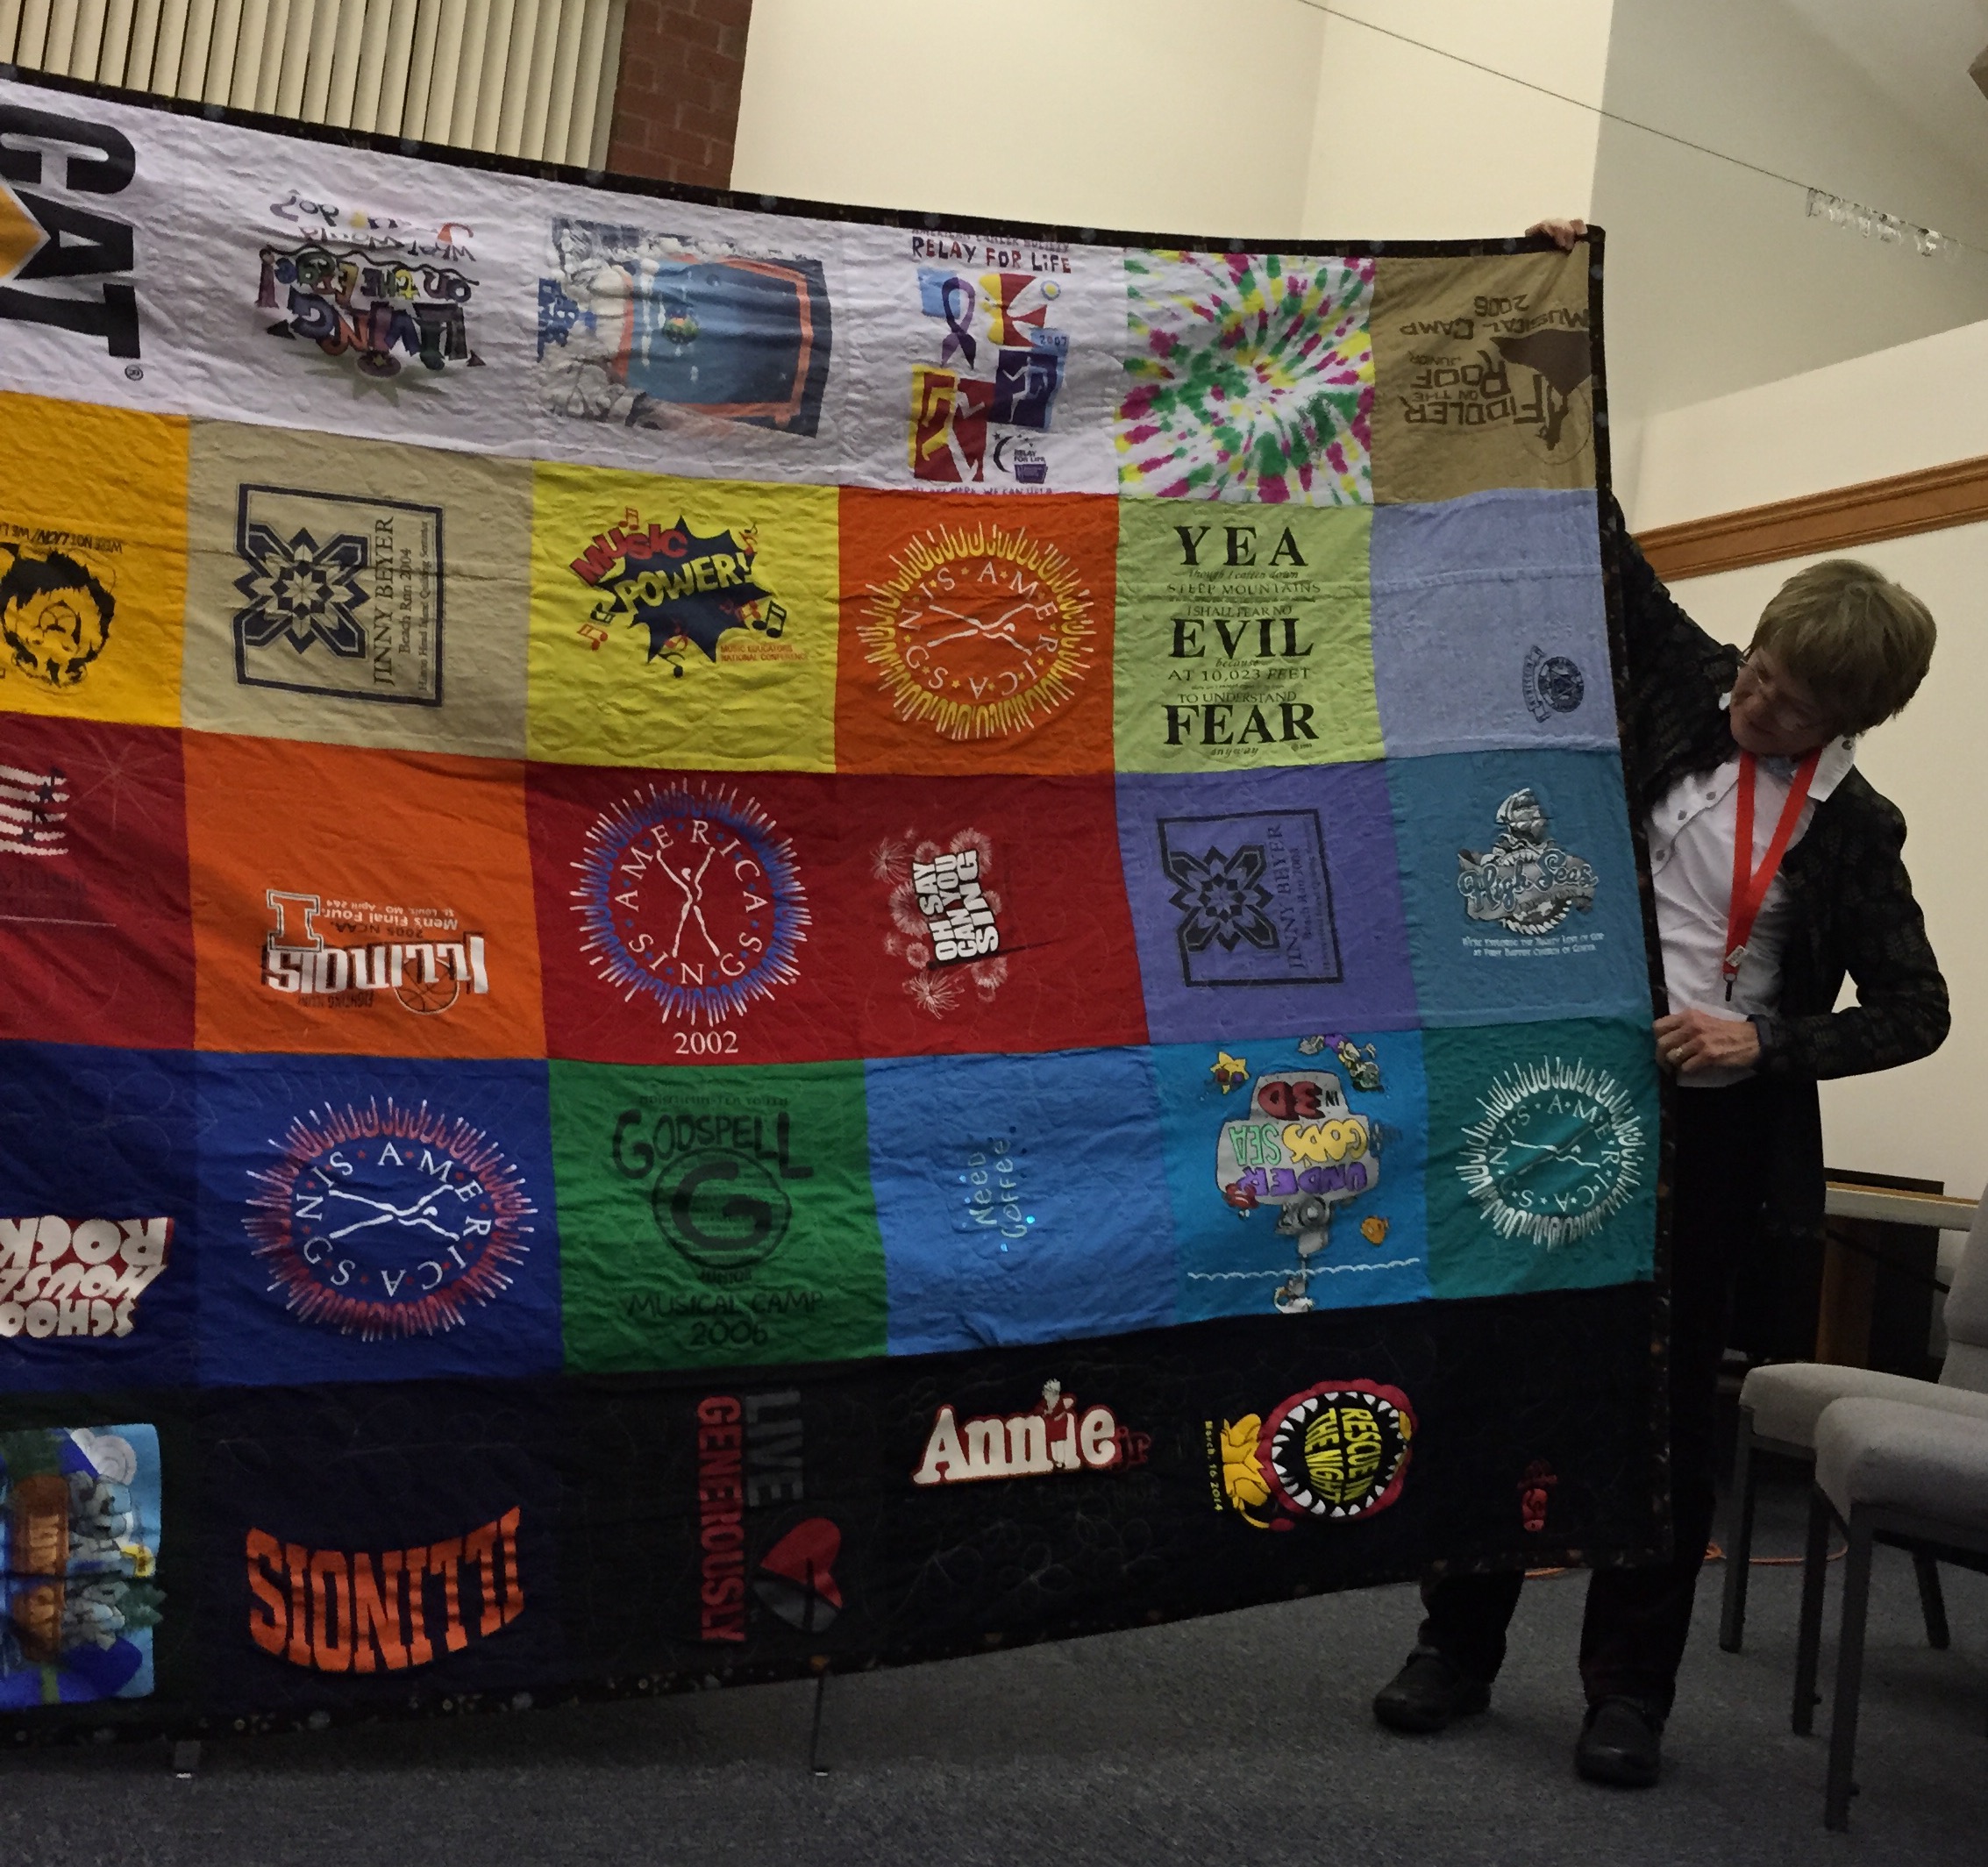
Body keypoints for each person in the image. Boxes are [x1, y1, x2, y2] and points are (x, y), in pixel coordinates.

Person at [1372, 217, 1951, 1787]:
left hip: (1711, 1148)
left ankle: (1629, 1692)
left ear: (1849, 718)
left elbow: (1918, 1010)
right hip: (1563, 1097)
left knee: (1667, 1424)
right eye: (1755, 669)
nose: (1750, 701)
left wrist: (1767, 1038)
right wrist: (1575, 294)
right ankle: (1455, 1645)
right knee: (1511, 1365)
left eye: (1786, 701)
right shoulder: (1683, 679)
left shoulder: (1857, 829)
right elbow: (1593, 515)